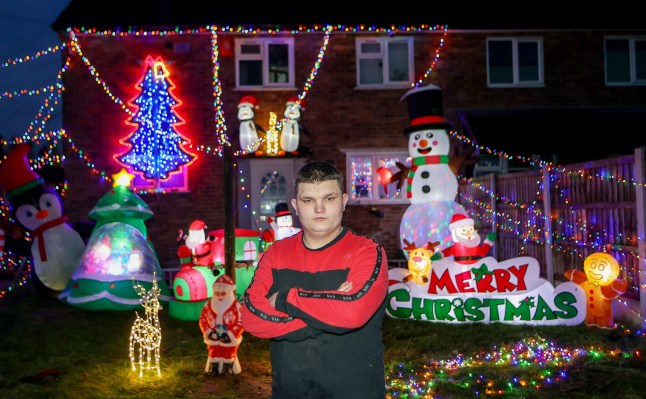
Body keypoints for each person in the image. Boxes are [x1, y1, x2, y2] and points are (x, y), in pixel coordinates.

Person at [242, 161, 389, 398]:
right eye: (308, 200)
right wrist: (330, 311)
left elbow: (352, 313)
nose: (319, 209)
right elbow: (250, 317)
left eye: (329, 199)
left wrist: (284, 299)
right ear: (295, 205)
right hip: (290, 392)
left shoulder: (368, 252)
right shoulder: (276, 253)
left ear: (344, 201)